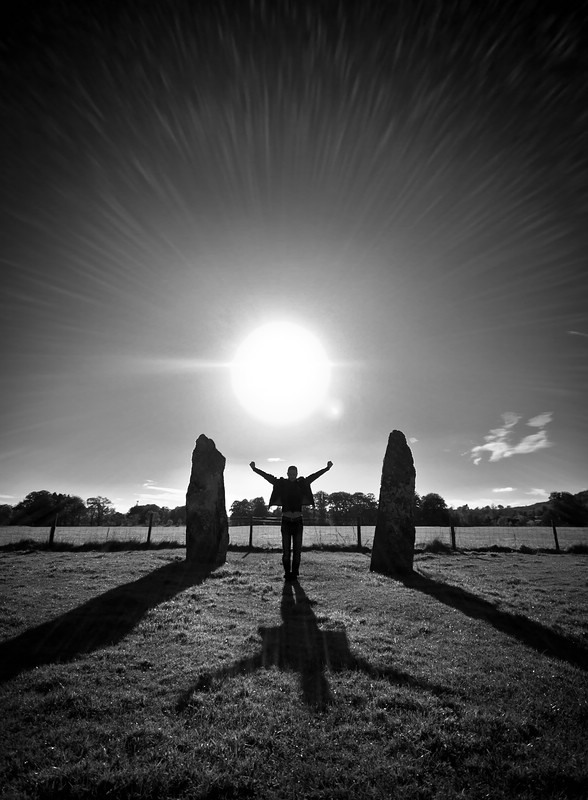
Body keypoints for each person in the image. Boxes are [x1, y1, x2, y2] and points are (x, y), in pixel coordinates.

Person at [250, 460, 333, 581]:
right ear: (287, 473)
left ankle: (294, 574)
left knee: (297, 551)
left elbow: (315, 476)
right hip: (286, 520)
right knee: (286, 551)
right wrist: (254, 469)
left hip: (298, 521)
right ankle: (287, 574)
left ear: (297, 473)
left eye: (294, 473)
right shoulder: (281, 483)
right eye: (290, 473)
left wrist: (327, 468)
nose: (292, 475)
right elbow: (267, 477)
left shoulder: (302, 483)